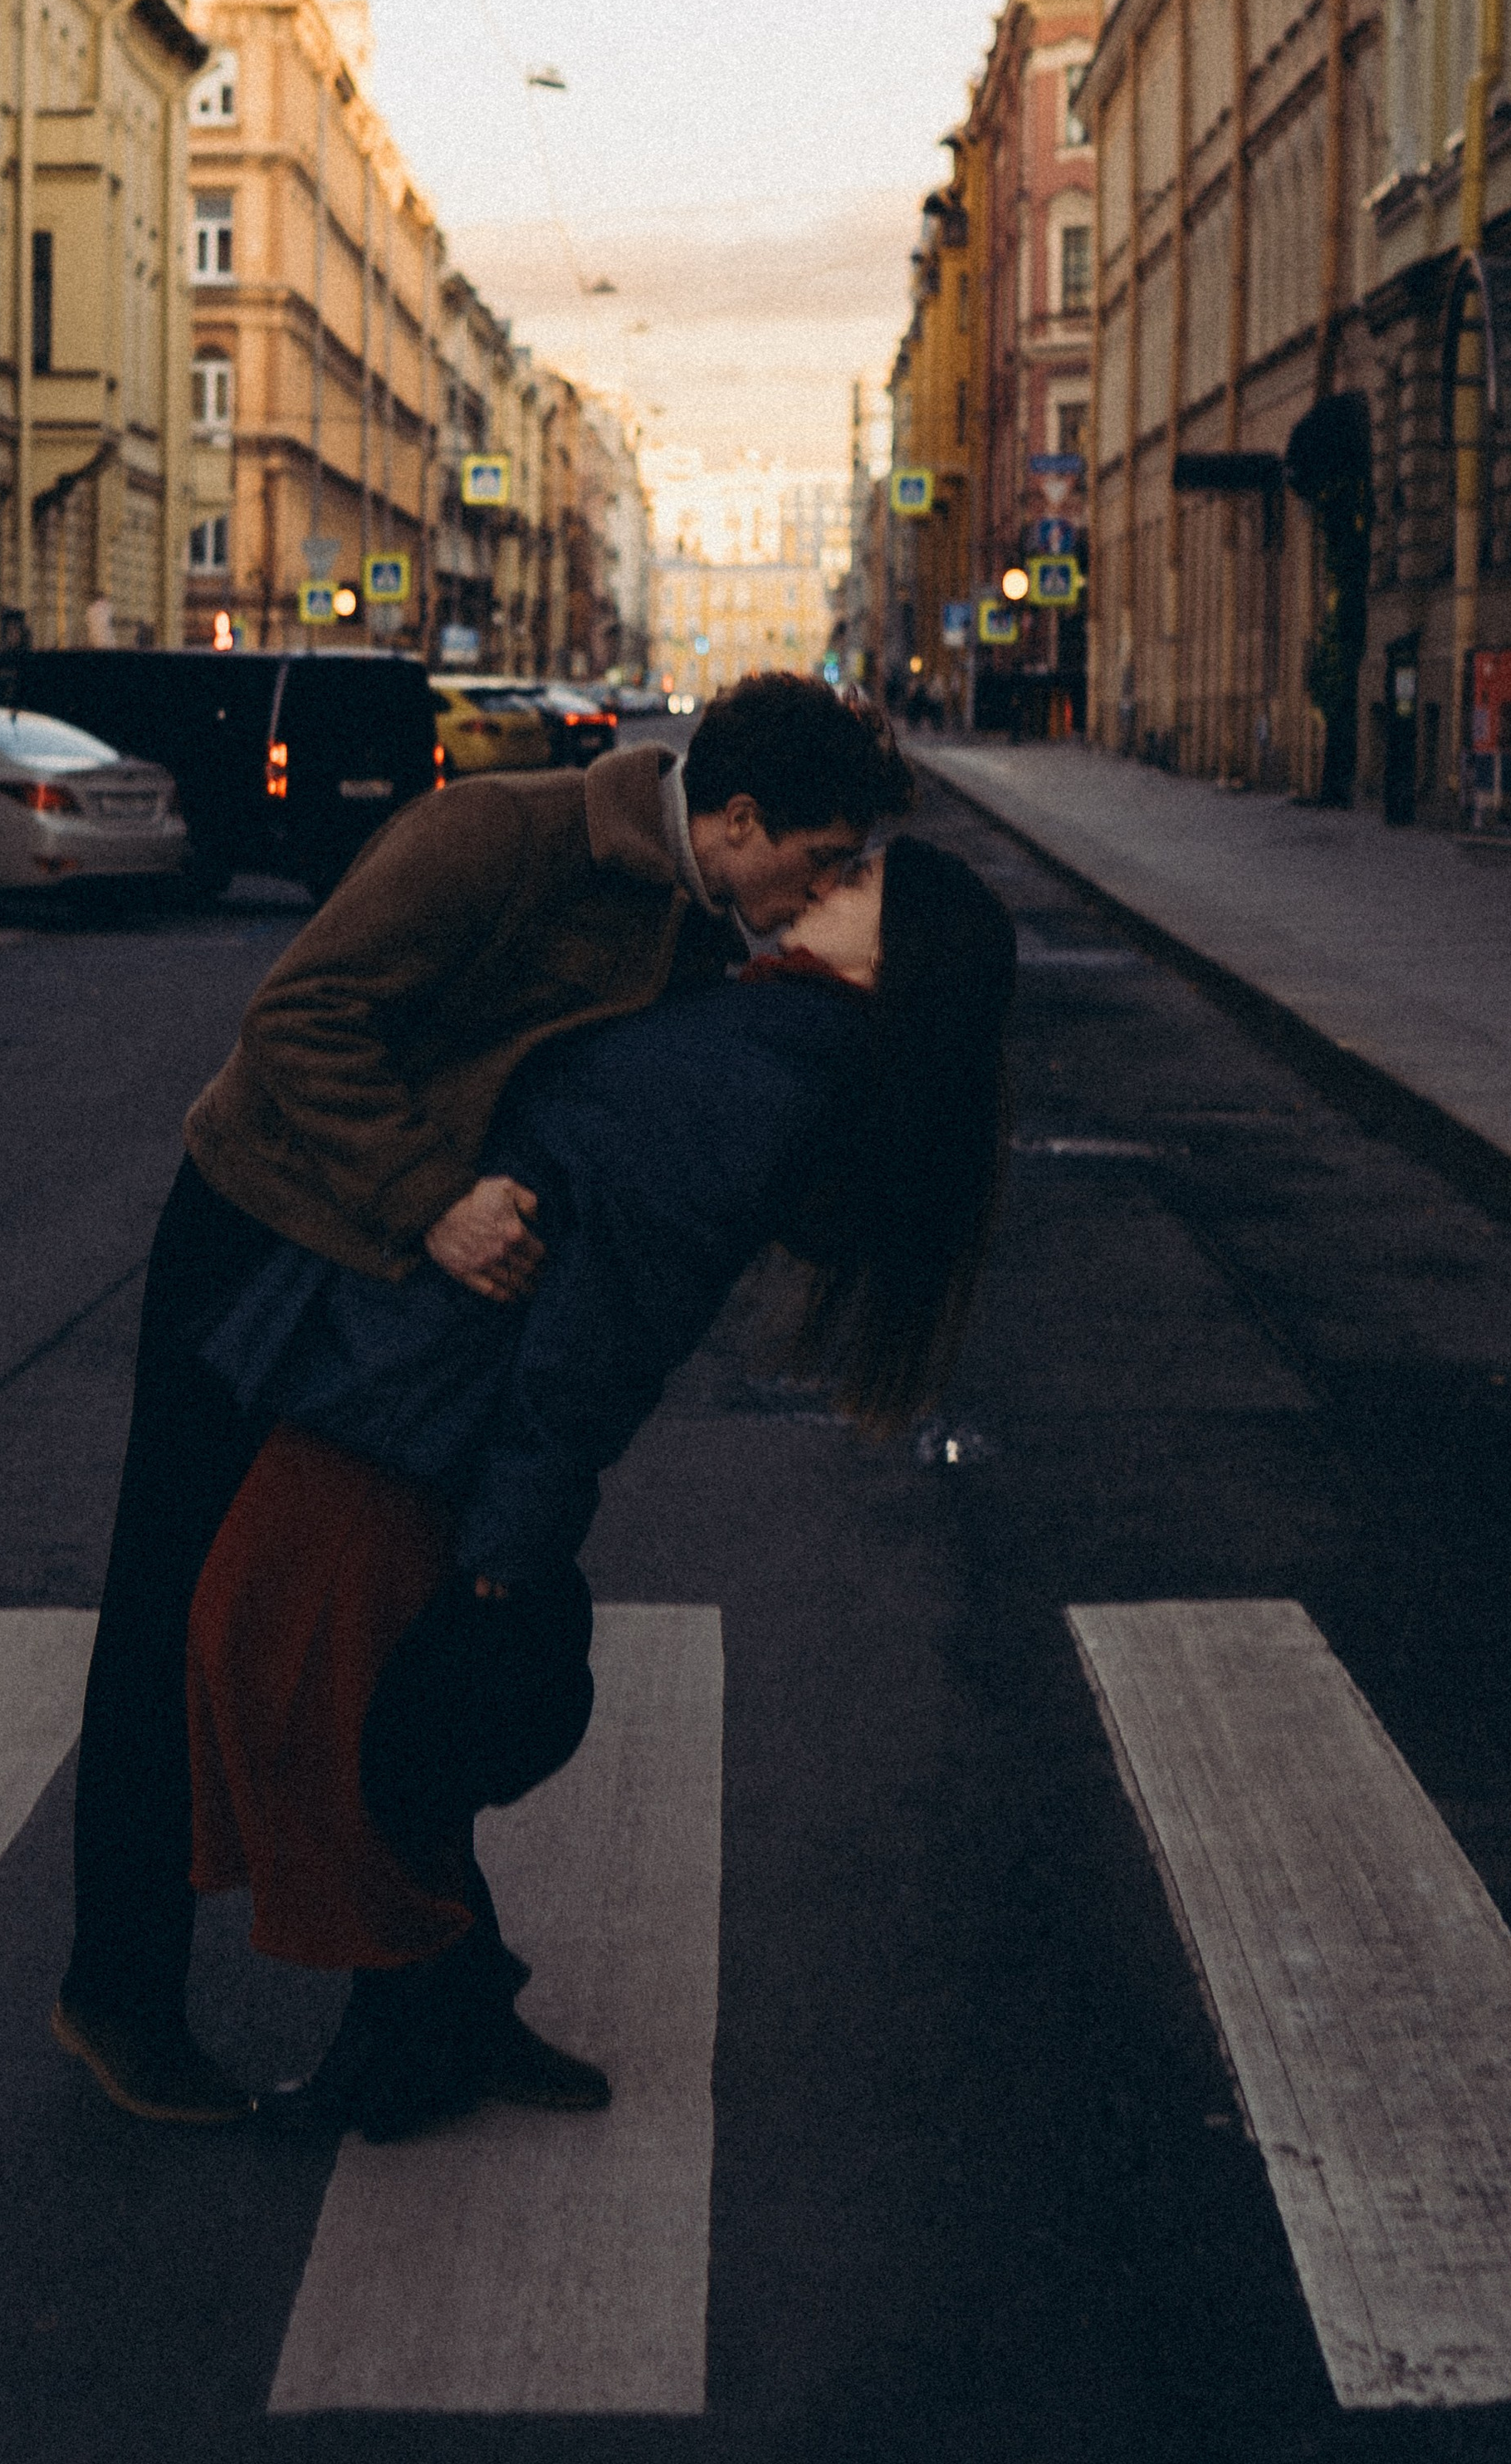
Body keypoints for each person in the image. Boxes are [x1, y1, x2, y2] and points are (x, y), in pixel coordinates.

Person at [54, 674, 912, 2123]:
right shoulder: (498, 838)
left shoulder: (700, 923)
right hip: (264, 1232)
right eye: (820, 858)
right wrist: (434, 1199)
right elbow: (297, 1023)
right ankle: (118, 1995)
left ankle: (442, 1996)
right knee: (172, 1612)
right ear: (737, 818)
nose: (823, 889)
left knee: (410, 1642)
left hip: (406, 1305)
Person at [181, 831, 1019, 2143]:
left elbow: (604, 1331)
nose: (821, 887)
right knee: (346, 1692)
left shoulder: (771, 1075)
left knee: (283, 1674)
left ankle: (410, 2028)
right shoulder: (778, 1033)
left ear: (900, 958)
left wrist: (511, 1547)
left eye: (856, 884)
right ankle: (450, 2006)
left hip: (422, 1398)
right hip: (418, 1375)